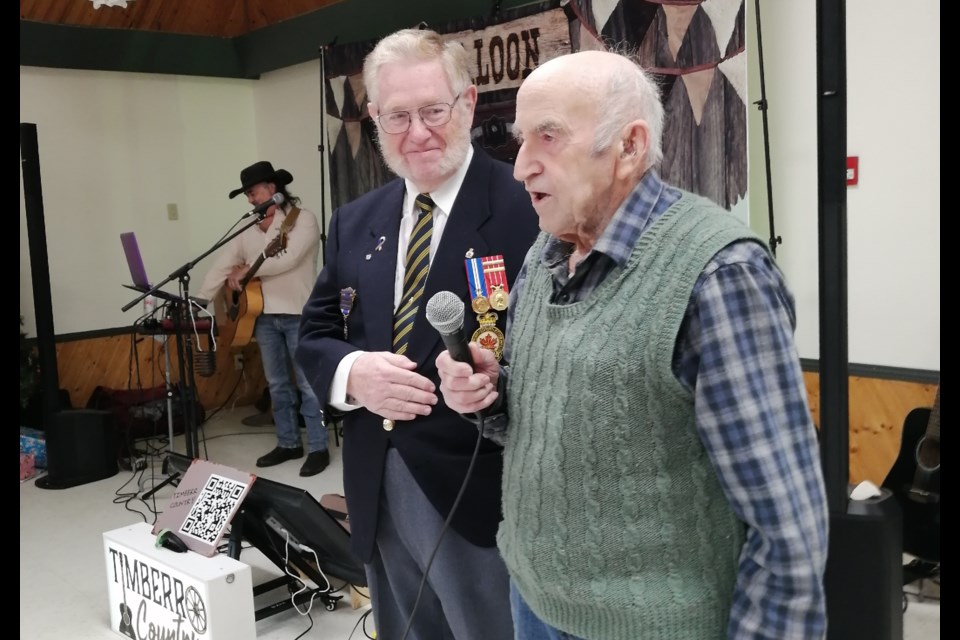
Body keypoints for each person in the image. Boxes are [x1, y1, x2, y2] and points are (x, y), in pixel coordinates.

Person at [436, 50, 830, 640]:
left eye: (549, 137)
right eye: (521, 140)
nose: (521, 167)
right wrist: (489, 398)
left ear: (629, 146)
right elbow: (542, 424)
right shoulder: (542, 258)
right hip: (535, 604)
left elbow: (787, 528)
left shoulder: (718, 273)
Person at [295, 28, 539, 640]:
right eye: (398, 115)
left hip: (484, 495)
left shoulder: (527, 207)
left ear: (469, 102)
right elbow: (318, 330)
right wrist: (356, 377)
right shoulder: (357, 220)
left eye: (433, 110)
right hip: (376, 488)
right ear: (374, 117)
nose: (418, 132)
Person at [196, 161, 330, 477]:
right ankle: (288, 443)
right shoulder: (249, 231)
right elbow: (223, 263)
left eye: (253, 192)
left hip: (299, 314)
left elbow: (289, 258)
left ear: (272, 189)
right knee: (278, 384)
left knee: (310, 385)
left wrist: (247, 271)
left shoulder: (303, 220)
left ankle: (319, 447)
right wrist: (201, 298)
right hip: (264, 318)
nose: (251, 200)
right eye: (247, 194)